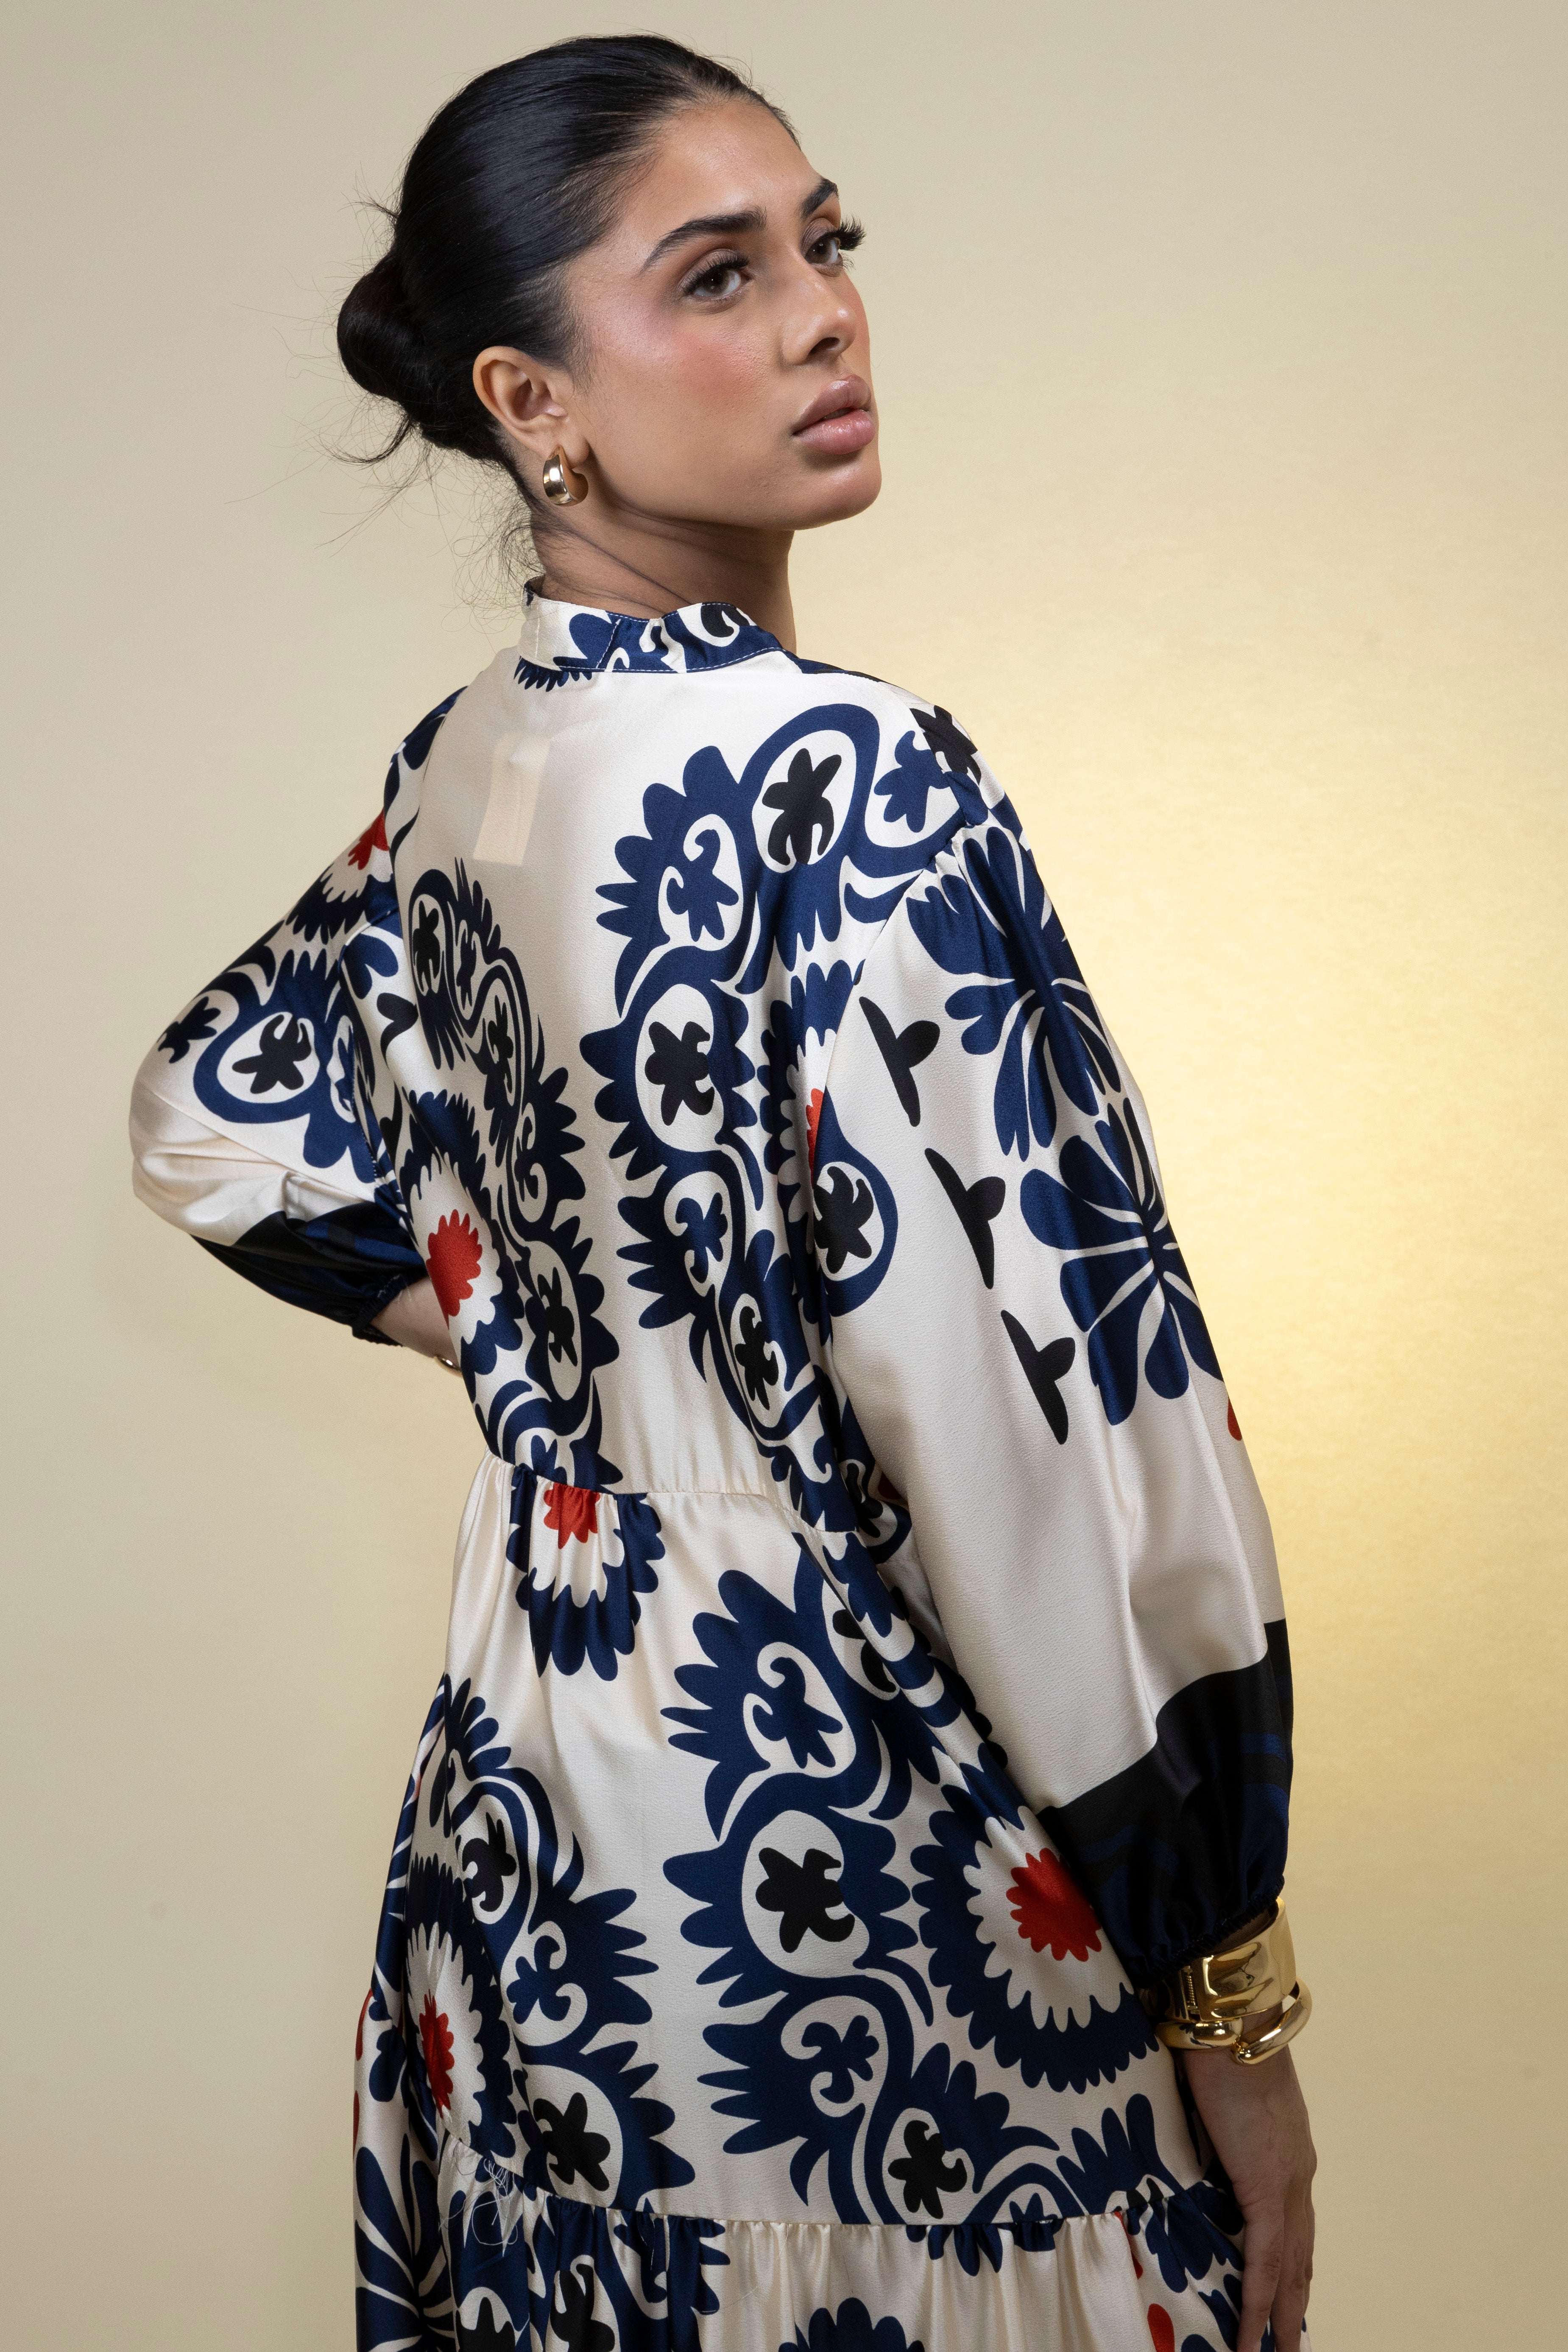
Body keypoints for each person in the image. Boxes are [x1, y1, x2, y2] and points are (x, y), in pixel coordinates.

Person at [130, 34, 1316, 2352]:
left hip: (540, 1837)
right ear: (530, 401)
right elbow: (1057, 1432)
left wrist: (543, 1347)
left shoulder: (467, 769)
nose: (822, 314)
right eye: (716, 274)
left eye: (824, 244)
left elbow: (211, 1109)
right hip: (864, 1870)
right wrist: (1228, 1981)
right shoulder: (853, 777)